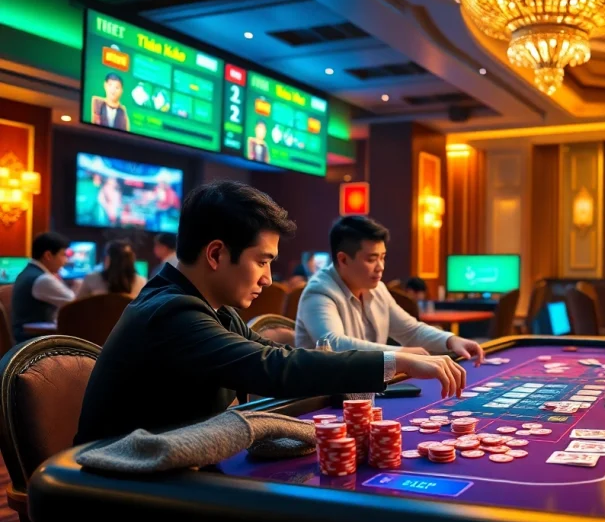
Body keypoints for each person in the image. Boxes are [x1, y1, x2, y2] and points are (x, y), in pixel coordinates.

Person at [76, 181, 466, 448]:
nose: (267, 278)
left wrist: (391, 363)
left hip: (169, 475)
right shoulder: (171, 313)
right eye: (262, 261)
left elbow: (281, 357)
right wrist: (394, 358)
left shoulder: (212, 309)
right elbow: (274, 367)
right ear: (215, 254)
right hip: (124, 501)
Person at [295, 216, 484, 387]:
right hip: (321, 397)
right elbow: (334, 345)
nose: (380, 267)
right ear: (343, 259)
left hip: (364, 389)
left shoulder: (376, 288)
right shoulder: (319, 292)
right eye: (372, 259)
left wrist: (451, 340)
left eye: (383, 258)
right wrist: (401, 356)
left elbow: (410, 330)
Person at [11, 232, 76, 342]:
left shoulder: (28, 272)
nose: (66, 261)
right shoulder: (43, 280)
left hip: (25, 340)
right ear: (48, 256)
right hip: (35, 344)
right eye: (63, 255)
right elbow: (76, 305)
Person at [77, 239, 148, 299]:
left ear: (108, 259)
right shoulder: (142, 282)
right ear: (132, 260)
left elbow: (74, 309)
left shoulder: (92, 279)